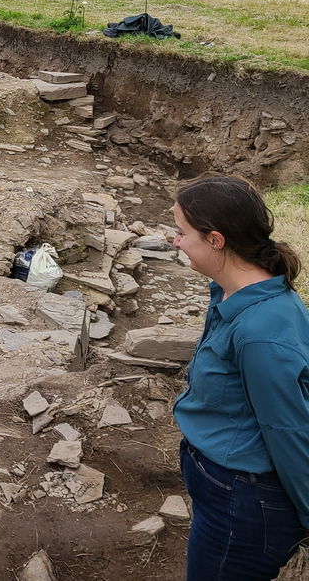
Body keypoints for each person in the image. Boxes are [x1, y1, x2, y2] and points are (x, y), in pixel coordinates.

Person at [171, 175, 309, 580]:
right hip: (224, 485)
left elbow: (289, 430)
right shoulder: (230, 291)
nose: (176, 241)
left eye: (182, 233)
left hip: (244, 500)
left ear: (215, 240)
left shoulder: (260, 334)